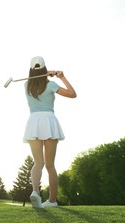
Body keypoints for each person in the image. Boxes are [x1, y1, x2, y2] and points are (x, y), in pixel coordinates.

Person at [24, 56, 77, 208]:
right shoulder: (51, 85)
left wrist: (45, 76)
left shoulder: (26, 85)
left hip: (33, 121)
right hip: (48, 121)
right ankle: (52, 200)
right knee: (50, 165)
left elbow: (36, 81)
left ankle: (35, 192)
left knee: (38, 162)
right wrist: (62, 77)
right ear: (45, 69)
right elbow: (72, 94)